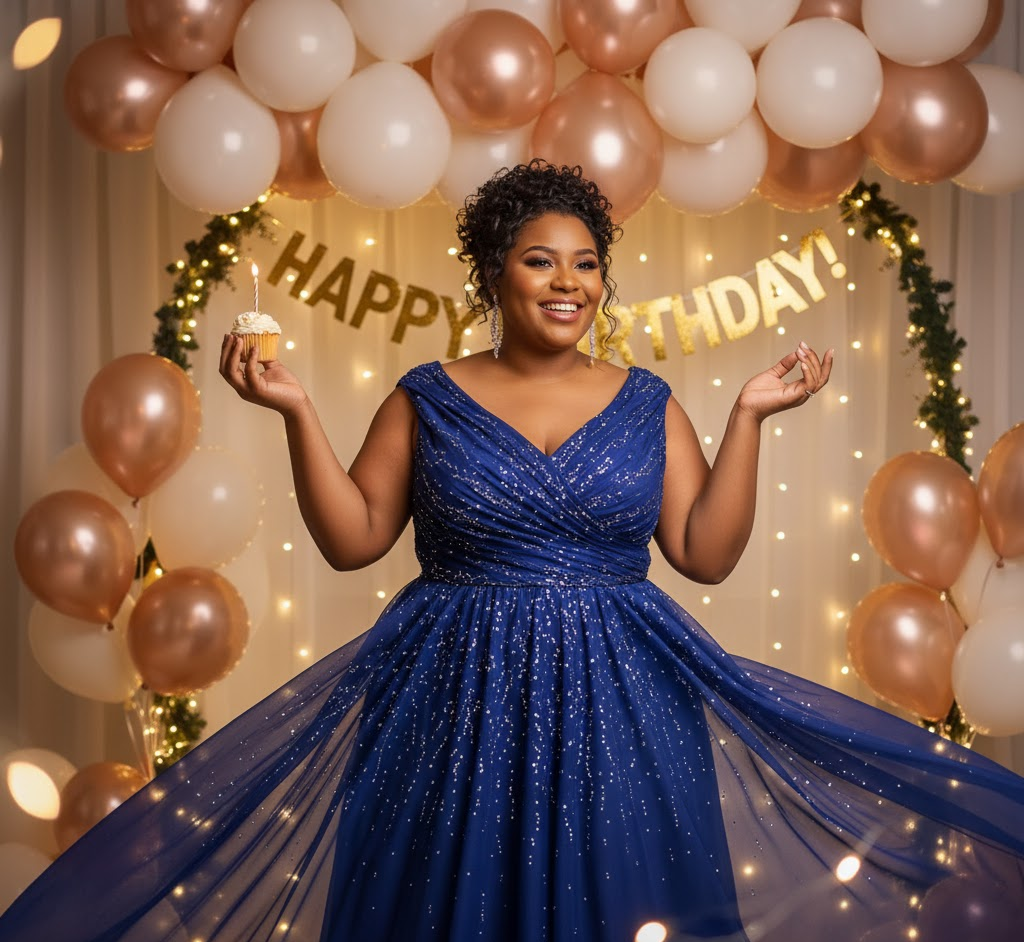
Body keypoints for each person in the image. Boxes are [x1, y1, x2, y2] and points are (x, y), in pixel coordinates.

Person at [2, 162, 1023, 942]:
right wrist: (295, 411)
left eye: (586, 263)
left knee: (619, 900)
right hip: (451, 701)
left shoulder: (648, 402)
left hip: (625, 702)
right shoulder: (427, 395)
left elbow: (704, 555)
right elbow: (353, 541)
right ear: (493, 274)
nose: (567, 282)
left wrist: (750, 416)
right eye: (541, 260)